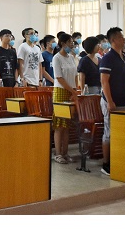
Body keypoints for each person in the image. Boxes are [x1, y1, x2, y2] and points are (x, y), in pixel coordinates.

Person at [99, 27, 125, 176]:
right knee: (110, 133)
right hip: (112, 101)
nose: (123, 39)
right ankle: (106, 164)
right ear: (113, 40)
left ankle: (121, 160)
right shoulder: (108, 58)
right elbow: (104, 82)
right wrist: (109, 101)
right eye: (120, 37)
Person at [52, 32, 78, 164]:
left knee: (67, 125)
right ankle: (58, 154)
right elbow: (59, 78)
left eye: (72, 42)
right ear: (63, 44)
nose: (72, 45)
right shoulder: (56, 58)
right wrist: (72, 90)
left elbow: (75, 75)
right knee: (59, 125)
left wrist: (75, 90)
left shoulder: (71, 57)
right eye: (70, 42)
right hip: (61, 92)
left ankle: (65, 153)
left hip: (71, 92)